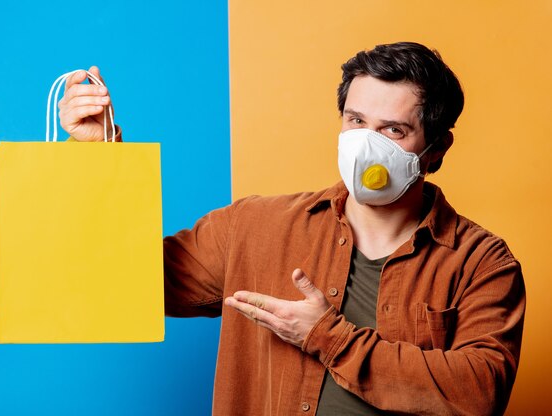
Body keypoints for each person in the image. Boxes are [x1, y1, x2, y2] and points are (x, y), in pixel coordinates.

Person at [59, 42, 525, 415]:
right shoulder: (253, 226)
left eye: (393, 131)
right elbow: (126, 283)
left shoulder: (481, 262)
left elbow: (478, 394)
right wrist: (99, 159)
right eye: (356, 121)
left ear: (437, 148)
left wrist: (327, 335)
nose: (365, 146)